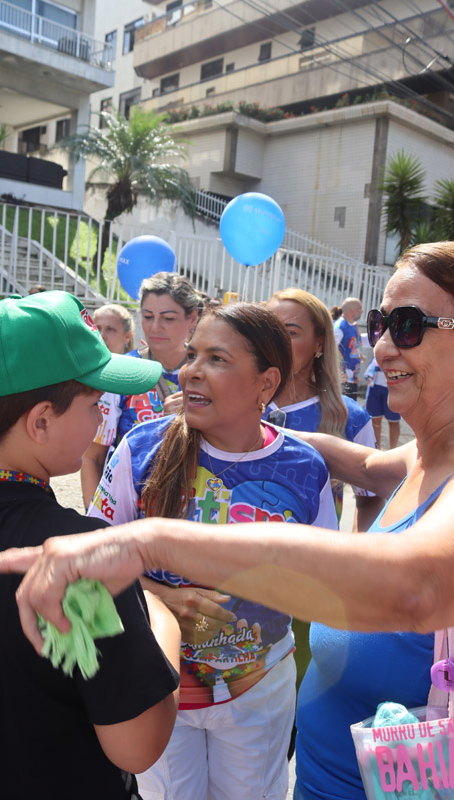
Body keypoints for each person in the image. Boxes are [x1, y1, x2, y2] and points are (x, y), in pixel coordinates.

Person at [0, 241, 454, 800]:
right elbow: (365, 464)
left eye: (410, 325)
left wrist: (150, 542)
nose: (384, 346)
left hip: (379, 765)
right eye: (380, 323)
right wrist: (247, 427)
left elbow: (420, 588)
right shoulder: (424, 456)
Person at [88, 302, 337, 800]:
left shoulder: (304, 468)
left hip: (258, 688)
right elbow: (93, 559)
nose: (191, 372)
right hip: (159, 682)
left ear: (266, 383)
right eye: (192, 355)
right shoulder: (140, 449)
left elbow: (325, 578)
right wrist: (164, 598)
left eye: (217, 359)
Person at [0, 291, 180, 800]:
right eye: (94, 405)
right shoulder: (78, 555)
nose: (101, 422)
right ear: (41, 421)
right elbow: (137, 745)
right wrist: (162, 618)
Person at [266, 288, 381, 530]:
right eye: (269, 331)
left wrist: (357, 549)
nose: (276, 343)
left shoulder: (351, 418)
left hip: (312, 553)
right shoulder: (234, 405)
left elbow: (371, 499)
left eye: (290, 333)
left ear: (319, 342)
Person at [118, 271, 203, 434]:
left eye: (168, 318)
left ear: (192, 318)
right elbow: (94, 449)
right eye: (148, 316)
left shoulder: (208, 373)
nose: (155, 328)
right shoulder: (120, 372)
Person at [80, 303, 135, 507]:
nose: (101, 335)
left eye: (110, 329)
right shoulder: (94, 379)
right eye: (97, 328)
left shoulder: (137, 373)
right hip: (114, 497)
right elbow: (92, 457)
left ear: (127, 336)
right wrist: (93, 512)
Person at [364, 355, 401, 449]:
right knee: (375, 420)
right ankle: (377, 449)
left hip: (392, 385)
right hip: (374, 385)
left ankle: (393, 451)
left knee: (393, 421)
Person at [331, 296, 364, 399]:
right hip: (343, 380)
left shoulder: (352, 326)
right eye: (359, 308)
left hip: (352, 378)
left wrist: (359, 354)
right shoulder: (339, 327)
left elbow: (349, 346)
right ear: (351, 311)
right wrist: (339, 370)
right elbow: (330, 349)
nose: (362, 311)